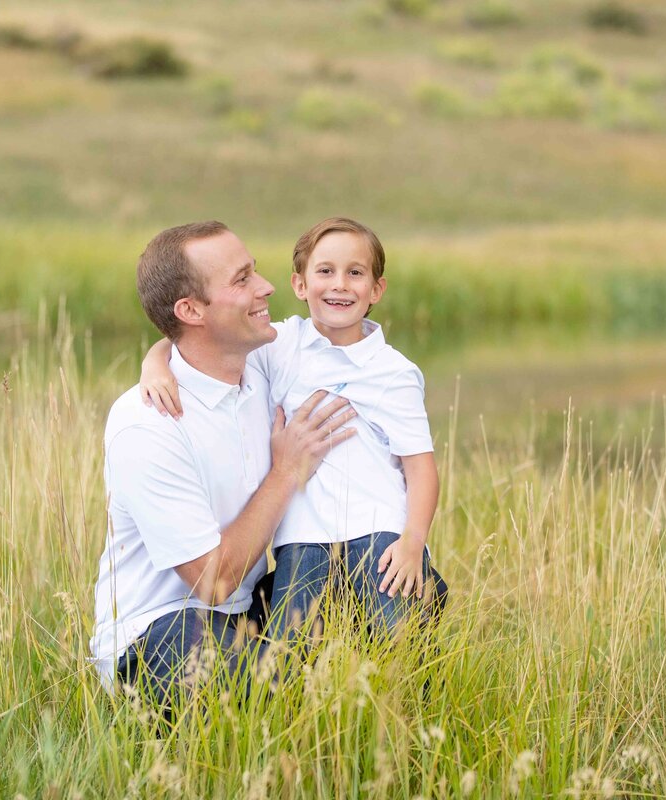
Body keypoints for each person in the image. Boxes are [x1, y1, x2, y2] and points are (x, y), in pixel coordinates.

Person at [140, 217, 446, 645]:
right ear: (300, 285)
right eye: (325, 271)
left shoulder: (394, 372)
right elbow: (191, 338)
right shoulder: (281, 345)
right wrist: (154, 364)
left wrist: (414, 541)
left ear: (376, 290)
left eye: (355, 273)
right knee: (293, 647)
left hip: (377, 532)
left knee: (399, 639)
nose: (340, 284)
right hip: (301, 540)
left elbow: (421, 468)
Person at [89, 221, 357, 704]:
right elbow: (213, 582)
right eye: (242, 280)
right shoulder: (147, 425)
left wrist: (158, 353)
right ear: (190, 309)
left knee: (391, 587)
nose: (267, 287)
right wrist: (286, 471)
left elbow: (358, 351)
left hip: (246, 615)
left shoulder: (260, 364)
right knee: (273, 686)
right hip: (157, 633)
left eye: (254, 272)